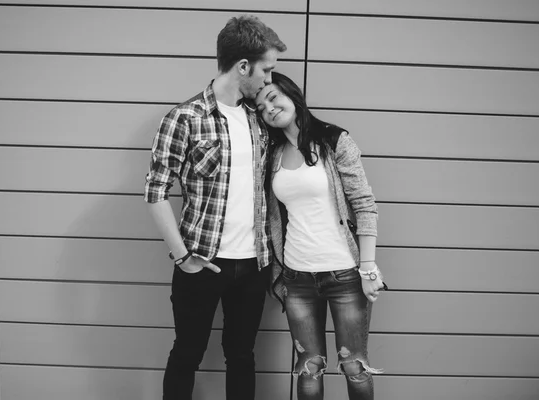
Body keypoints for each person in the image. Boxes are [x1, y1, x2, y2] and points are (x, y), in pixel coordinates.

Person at [144, 15, 287, 400]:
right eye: (267, 70)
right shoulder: (184, 118)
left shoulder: (258, 119)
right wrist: (182, 256)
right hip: (202, 263)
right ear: (243, 66)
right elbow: (155, 190)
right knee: (187, 353)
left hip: (253, 265)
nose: (269, 80)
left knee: (241, 356)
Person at [255, 72, 387, 400]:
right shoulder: (272, 155)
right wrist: (278, 275)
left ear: (292, 96)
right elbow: (271, 218)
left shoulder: (334, 141)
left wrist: (368, 267)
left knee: (354, 365)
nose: (268, 108)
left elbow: (364, 204)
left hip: (344, 275)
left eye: (273, 98)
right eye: (260, 107)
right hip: (297, 277)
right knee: (309, 367)